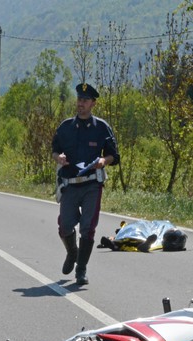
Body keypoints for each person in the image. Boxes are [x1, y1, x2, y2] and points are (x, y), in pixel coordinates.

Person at [52, 82, 119, 285]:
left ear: (93, 104)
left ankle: (81, 270)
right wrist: (59, 157)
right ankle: (72, 252)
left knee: (88, 228)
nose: (81, 103)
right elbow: (54, 150)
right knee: (65, 226)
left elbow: (113, 155)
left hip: (92, 184)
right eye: (79, 99)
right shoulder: (65, 127)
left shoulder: (102, 128)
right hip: (70, 184)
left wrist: (103, 161)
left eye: (85, 100)